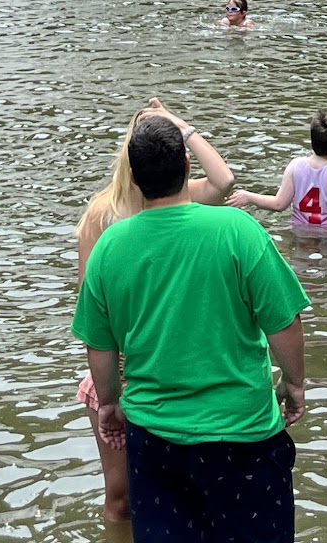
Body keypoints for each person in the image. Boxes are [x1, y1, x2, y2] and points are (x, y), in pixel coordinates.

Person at [73, 114, 308, 543]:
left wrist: (108, 403)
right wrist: (294, 385)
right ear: (186, 167)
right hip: (242, 433)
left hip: (154, 439)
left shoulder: (110, 245)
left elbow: (99, 345)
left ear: (136, 178)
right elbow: (284, 321)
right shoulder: (237, 230)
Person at [75, 102, 233, 526]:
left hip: (175, 367)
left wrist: (184, 127)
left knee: (176, 497)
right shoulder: (102, 214)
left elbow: (224, 180)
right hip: (124, 367)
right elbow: (92, 307)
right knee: (121, 497)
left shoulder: (180, 199)